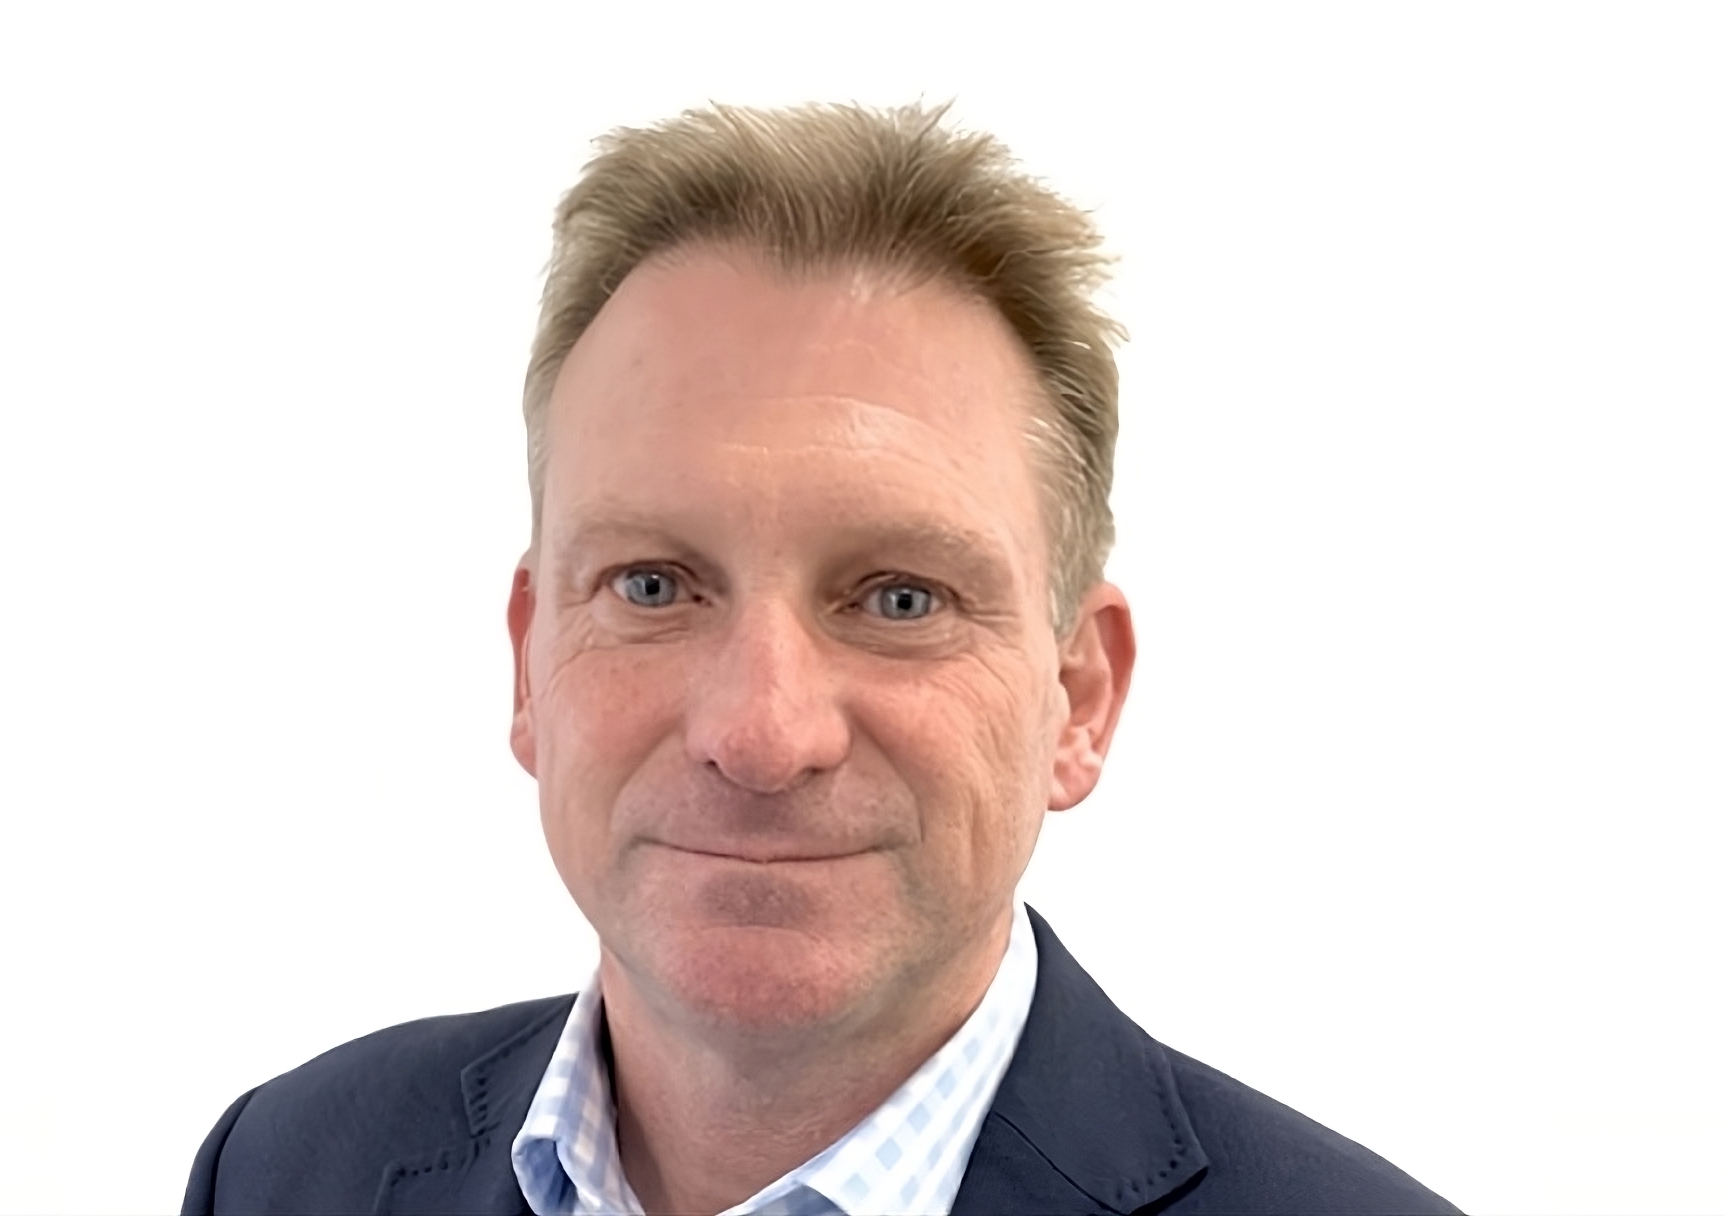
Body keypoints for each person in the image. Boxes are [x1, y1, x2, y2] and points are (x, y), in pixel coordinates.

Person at [181, 101, 1457, 1216]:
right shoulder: (287, 1169)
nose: (760, 732)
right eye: (652, 585)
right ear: (529, 666)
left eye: (900, 599)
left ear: (1079, 698)